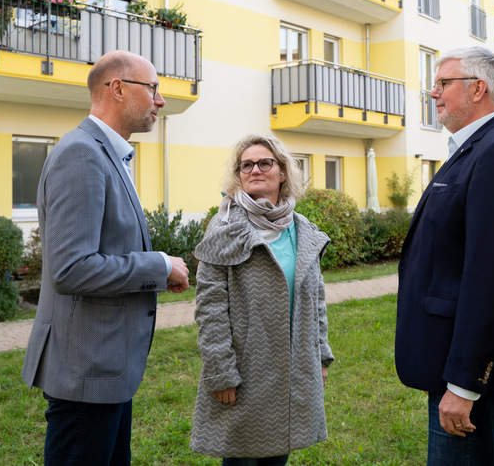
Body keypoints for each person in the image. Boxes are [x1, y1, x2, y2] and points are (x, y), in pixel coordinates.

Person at [21, 50, 190, 465]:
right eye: (152, 88)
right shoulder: (83, 154)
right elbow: (71, 269)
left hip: (105, 370)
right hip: (86, 372)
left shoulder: (107, 153)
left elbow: (103, 251)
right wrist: (160, 265)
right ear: (117, 89)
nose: (160, 100)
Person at [395, 46, 494, 465]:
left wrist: (464, 385)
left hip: (470, 370)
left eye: (443, 83)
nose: (433, 93)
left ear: (478, 88)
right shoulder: (475, 148)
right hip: (462, 359)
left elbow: (492, 279)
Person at [190, 134, 334, 465]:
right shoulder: (225, 228)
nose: (255, 169)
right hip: (245, 368)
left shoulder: (302, 229)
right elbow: (210, 308)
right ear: (238, 175)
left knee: (276, 454)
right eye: (246, 165)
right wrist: (220, 372)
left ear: (282, 172)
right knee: (242, 456)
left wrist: (321, 354)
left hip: (292, 368)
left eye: (265, 162)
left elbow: (316, 299)